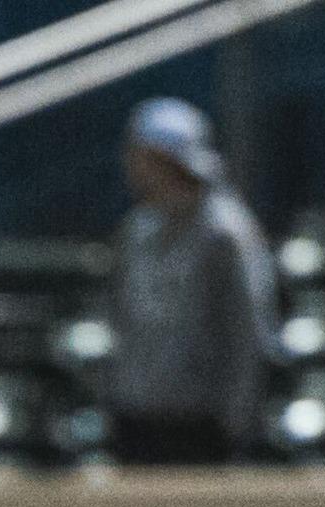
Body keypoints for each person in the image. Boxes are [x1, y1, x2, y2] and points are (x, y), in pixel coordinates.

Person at [105, 97, 280, 464]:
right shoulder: (137, 230)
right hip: (137, 418)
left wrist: (237, 424)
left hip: (202, 426)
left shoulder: (227, 234)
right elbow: (123, 318)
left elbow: (250, 333)